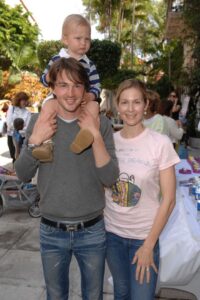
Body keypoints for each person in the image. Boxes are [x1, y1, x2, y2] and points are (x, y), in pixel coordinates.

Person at [15, 57, 119, 300]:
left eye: (76, 86)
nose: (70, 93)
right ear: (52, 89)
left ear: (85, 90)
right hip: (51, 231)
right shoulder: (39, 121)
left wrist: (94, 135)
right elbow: (22, 173)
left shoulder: (101, 123)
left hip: (92, 231)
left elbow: (111, 177)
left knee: (93, 296)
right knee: (55, 295)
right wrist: (34, 141)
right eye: (62, 85)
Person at [104, 79, 180, 300]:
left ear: (146, 104)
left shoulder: (160, 143)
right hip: (112, 237)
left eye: (136, 102)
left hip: (144, 237)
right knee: (121, 293)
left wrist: (149, 245)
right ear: (117, 105)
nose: (130, 109)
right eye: (125, 102)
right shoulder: (109, 143)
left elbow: (169, 200)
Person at [32, 14, 100, 162]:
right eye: (78, 38)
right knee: (47, 107)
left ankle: (86, 135)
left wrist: (91, 96)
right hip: (58, 99)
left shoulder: (90, 64)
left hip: (82, 100)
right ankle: (46, 144)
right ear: (65, 39)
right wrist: (50, 76)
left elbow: (96, 85)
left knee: (94, 107)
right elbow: (43, 80)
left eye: (87, 39)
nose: (83, 43)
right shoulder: (56, 59)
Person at [6, 92, 31, 164]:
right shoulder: (12, 109)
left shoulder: (27, 112)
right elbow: (9, 124)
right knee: (14, 155)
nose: (25, 102)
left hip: (22, 138)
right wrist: (19, 128)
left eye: (26, 100)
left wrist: (18, 129)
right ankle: (15, 171)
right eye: (24, 100)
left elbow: (28, 127)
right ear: (19, 100)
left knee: (22, 157)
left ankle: (20, 172)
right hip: (12, 136)